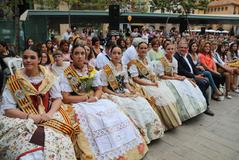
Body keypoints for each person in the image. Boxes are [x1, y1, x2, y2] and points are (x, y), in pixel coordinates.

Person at [60, 45, 148, 160]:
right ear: (71, 56)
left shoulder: (91, 70)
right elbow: (66, 97)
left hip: (93, 100)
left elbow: (99, 89)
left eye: (82, 53)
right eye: (76, 53)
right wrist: (85, 98)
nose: (80, 56)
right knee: (90, 118)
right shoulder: (67, 73)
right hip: (77, 101)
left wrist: (96, 98)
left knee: (112, 109)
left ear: (86, 55)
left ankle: (123, 149)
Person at [0, 47, 76, 159]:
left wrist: (49, 114)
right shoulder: (14, 80)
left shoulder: (48, 76)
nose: (28, 60)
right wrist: (30, 116)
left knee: (58, 143)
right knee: (28, 150)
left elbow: (57, 99)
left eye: (32, 57)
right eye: (25, 57)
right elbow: (8, 109)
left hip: (48, 115)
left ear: (39, 59)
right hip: (23, 119)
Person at [101, 46, 164, 144]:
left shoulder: (124, 67)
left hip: (124, 90)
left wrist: (133, 91)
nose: (116, 55)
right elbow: (104, 88)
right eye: (114, 53)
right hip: (112, 93)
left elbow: (126, 83)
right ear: (110, 54)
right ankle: (138, 136)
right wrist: (117, 95)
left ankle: (151, 132)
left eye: (119, 53)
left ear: (122, 55)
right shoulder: (106, 69)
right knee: (130, 106)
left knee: (141, 101)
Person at [127, 41, 182, 130]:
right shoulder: (134, 62)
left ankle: (173, 121)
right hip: (142, 83)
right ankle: (166, 122)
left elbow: (152, 72)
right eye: (141, 48)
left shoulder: (147, 59)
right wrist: (151, 83)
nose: (143, 50)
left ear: (147, 49)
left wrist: (154, 79)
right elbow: (135, 79)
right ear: (137, 50)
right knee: (159, 95)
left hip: (151, 80)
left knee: (166, 92)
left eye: (145, 48)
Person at [151, 43, 207, 121]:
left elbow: (174, 74)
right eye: (168, 49)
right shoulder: (161, 61)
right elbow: (162, 76)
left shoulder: (174, 60)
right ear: (165, 50)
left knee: (186, 82)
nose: (170, 51)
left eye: (172, 49)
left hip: (172, 78)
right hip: (163, 80)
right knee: (176, 89)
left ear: (174, 50)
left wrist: (180, 77)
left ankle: (192, 108)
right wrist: (175, 78)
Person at [174, 40, 214, 116]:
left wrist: (199, 74)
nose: (183, 49)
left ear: (187, 48)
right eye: (181, 47)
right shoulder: (176, 57)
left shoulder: (188, 55)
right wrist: (194, 76)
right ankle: (206, 107)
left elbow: (193, 67)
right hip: (184, 77)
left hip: (192, 75)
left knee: (206, 79)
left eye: (185, 48)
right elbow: (181, 71)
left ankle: (201, 102)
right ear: (178, 48)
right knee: (202, 83)